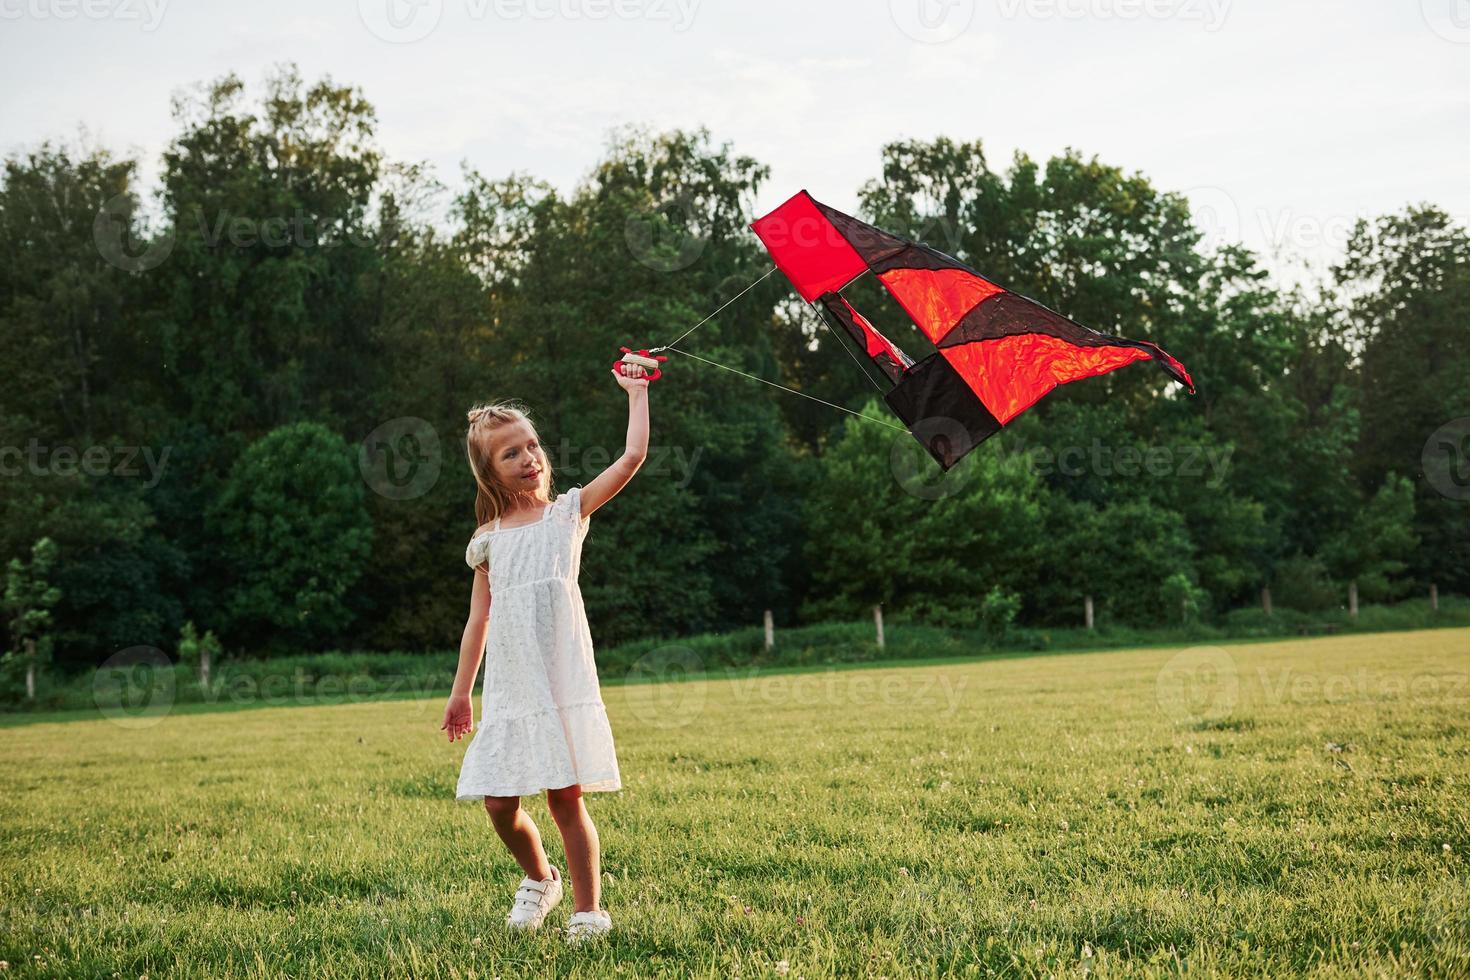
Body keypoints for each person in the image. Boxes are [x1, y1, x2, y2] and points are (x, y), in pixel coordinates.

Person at [440, 359, 652, 945]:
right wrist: (461, 693)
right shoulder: (488, 541)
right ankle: (539, 880)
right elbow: (477, 619)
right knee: (498, 803)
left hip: (559, 679)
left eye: (532, 445)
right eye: (511, 453)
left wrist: (636, 394)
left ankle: (588, 913)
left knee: (565, 798)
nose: (529, 457)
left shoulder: (567, 513)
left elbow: (631, 458)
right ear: (489, 471)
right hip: (512, 683)